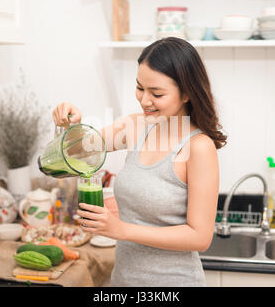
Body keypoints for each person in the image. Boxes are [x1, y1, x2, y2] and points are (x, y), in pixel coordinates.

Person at [52, 37, 227, 286]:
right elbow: (77, 151)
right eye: (139, 88)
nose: (144, 100)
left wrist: (121, 230)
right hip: (124, 281)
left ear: (187, 92)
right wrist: (71, 125)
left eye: (157, 93)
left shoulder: (198, 147)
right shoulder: (135, 126)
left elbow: (199, 237)